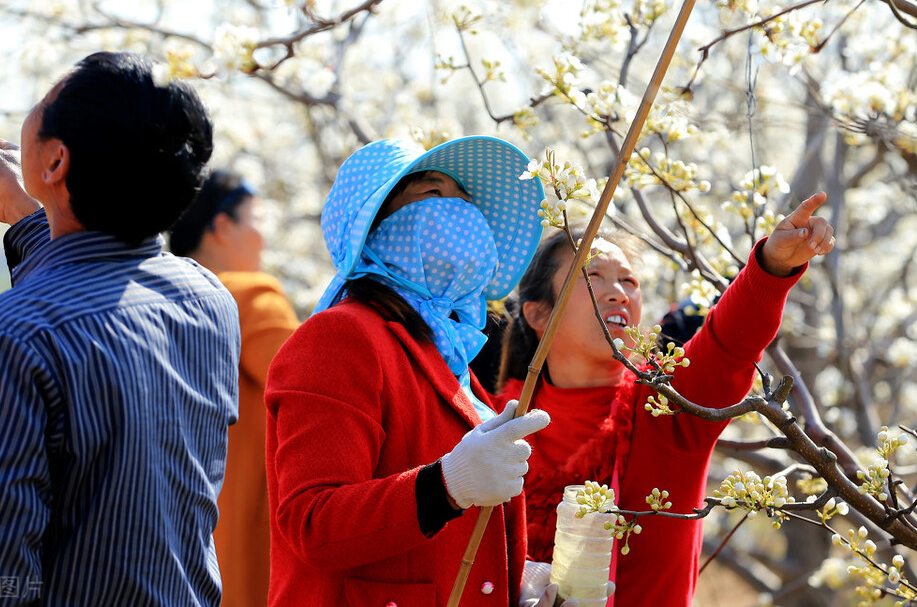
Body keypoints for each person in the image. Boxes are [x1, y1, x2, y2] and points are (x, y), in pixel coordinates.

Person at [0, 51, 239, 606]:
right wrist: (41, 214)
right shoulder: (208, 301)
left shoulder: (7, 337)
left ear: (56, 162)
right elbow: (95, 288)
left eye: (46, 100)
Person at [266, 136, 578, 606]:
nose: (460, 212)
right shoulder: (340, 336)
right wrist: (445, 485)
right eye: (433, 194)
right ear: (375, 227)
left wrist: (513, 587)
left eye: (466, 202)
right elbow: (314, 522)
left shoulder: (448, 357)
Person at [498, 193, 836, 606]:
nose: (619, 293)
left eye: (629, 281)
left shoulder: (667, 407)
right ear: (538, 314)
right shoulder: (490, 426)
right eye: (593, 275)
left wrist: (772, 266)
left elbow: (727, 344)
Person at [169, 169, 300, 607]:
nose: (263, 237)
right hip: (246, 539)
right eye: (256, 218)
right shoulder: (249, 295)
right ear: (222, 226)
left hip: (173, 539)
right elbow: (309, 393)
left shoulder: (154, 301)